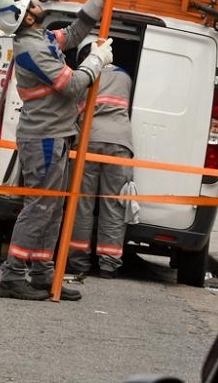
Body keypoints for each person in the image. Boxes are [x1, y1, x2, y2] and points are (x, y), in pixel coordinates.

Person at [0, 0, 125, 301]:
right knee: (39, 208)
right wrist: (98, 61)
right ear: (25, 18)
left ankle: (43, 275)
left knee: (52, 209)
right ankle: (13, 276)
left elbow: (74, 33)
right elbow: (71, 84)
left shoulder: (40, 38)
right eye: (29, 5)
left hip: (55, 136)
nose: (35, 5)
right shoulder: (31, 49)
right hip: (44, 139)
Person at [68, 38, 135, 279]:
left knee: (82, 203)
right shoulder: (125, 77)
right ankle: (109, 263)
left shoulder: (82, 76)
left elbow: (72, 110)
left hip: (89, 141)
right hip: (120, 143)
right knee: (114, 204)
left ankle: (78, 261)